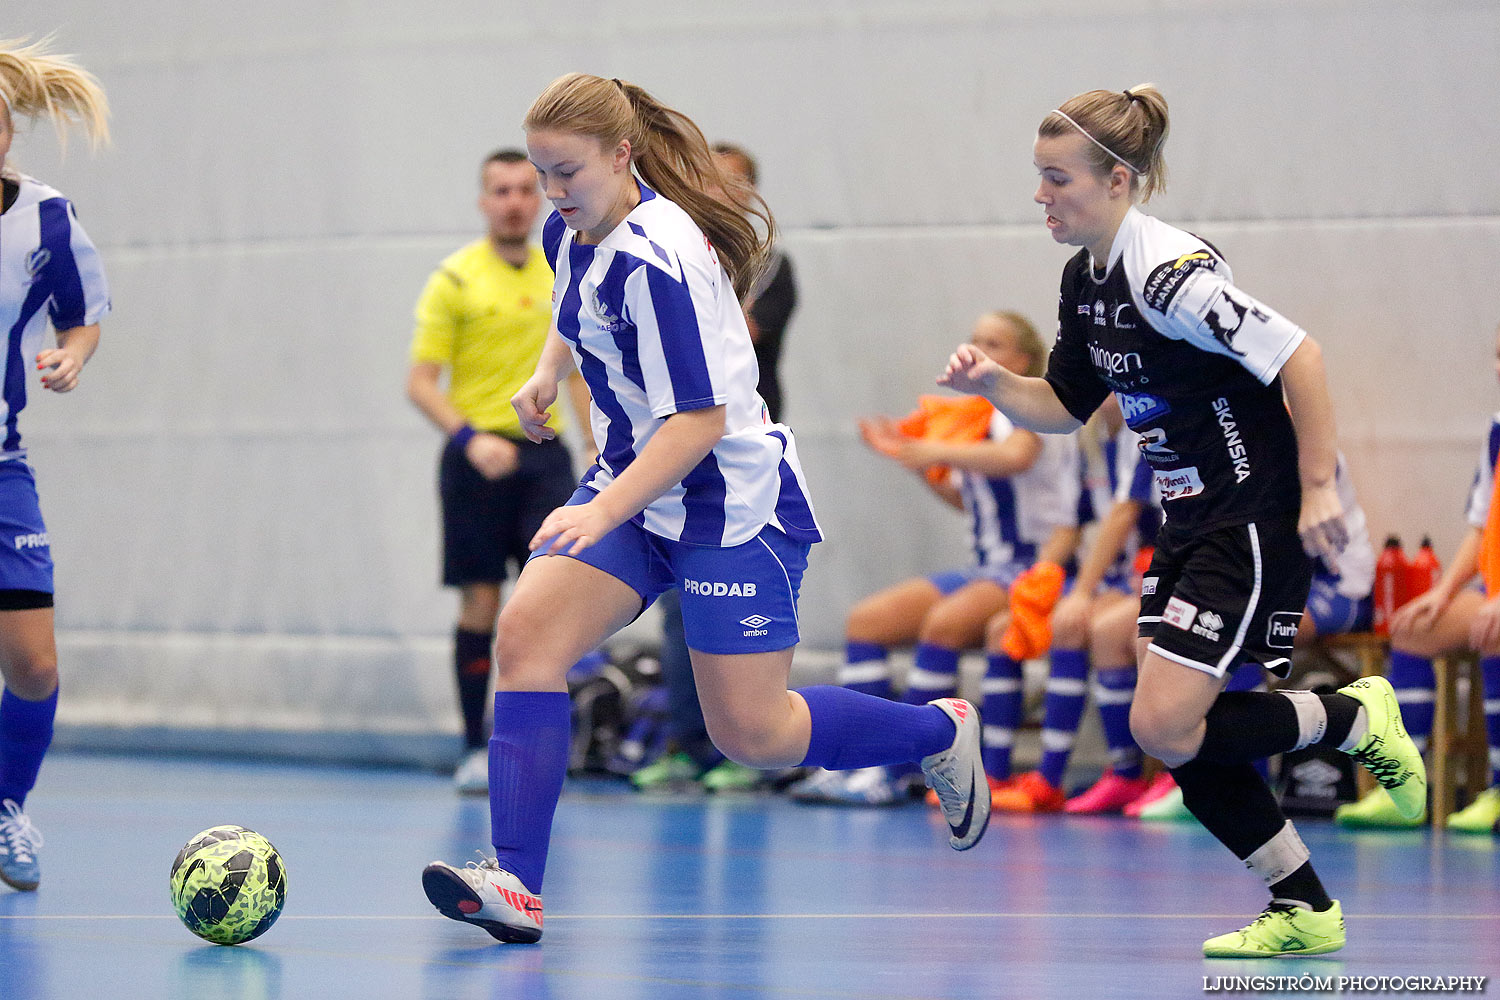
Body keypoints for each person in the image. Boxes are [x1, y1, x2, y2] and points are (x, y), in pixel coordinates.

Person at [421, 73, 989, 944]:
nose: (554, 192)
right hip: (634, 489)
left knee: (754, 734)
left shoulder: (663, 259)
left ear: (623, 156)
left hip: (730, 505)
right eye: (542, 174)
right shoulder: (570, 226)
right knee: (526, 639)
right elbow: (577, 302)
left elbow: (699, 420)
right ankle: (518, 886)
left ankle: (934, 733)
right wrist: (547, 372)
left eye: (569, 171)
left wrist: (602, 509)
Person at [939, 84, 1425, 957]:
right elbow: (1064, 404)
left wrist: (1318, 488)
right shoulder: (1084, 279)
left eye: (1059, 179)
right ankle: (1303, 905)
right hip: (1189, 518)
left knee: (1162, 724)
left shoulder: (1172, 277)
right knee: (1169, 728)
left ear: (1118, 180)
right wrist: (993, 388)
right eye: (1039, 178)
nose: (1042, 197)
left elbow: (1299, 356)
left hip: (1249, 517)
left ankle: (1352, 718)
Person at [791, 311, 1080, 805]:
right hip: (987, 565)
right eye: (975, 339)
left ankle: (904, 764)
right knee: (867, 622)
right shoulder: (979, 418)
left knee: (944, 625)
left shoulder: (1033, 407)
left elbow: (1017, 458)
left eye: (996, 342)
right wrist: (916, 463)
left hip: (1032, 566)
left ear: (1024, 358)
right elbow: (975, 502)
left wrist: (930, 450)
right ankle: (866, 763)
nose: (981, 348)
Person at [406, 149, 595, 795]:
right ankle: (471, 747)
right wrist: (469, 438)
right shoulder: (455, 279)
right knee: (482, 601)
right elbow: (421, 383)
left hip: (546, 459)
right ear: (485, 200)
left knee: (552, 602)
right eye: (501, 191)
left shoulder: (562, 270)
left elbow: (575, 368)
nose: (514, 200)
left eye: (524, 189)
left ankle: (546, 748)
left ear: (538, 197)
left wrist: (596, 447)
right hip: (477, 459)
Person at [629, 142, 799, 795]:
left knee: (733, 605)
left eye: (733, 185)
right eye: (707, 181)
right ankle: (686, 744)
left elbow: (737, 333)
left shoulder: (770, 264)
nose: (717, 193)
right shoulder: (668, 255)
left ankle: (747, 747)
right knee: (675, 607)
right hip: (675, 455)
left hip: (745, 467)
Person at [0, 38, 111, 892]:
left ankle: (8, 808)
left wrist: (73, 356)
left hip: (3, 465)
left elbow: (80, 316)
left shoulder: (44, 218)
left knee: (34, 666)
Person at [1351, 324, 1500, 834]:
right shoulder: (1498, 431)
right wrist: (1443, 592)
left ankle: (1497, 789)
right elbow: (1481, 525)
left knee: (1494, 631)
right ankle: (1405, 787)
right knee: (1411, 626)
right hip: (1491, 591)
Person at [988, 402, 1161, 813]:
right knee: (1004, 628)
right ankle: (995, 773)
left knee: (1084, 626)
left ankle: (1089, 775)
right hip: (1112, 577)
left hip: (1152, 573)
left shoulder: (1148, 432)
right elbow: (1071, 524)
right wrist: (1044, 577)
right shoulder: (1090, 441)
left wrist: (1081, 592)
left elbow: (1124, 514)